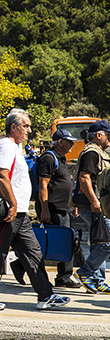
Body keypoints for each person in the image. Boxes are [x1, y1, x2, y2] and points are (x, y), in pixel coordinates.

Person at [0, 109, 70, 310]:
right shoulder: (5, 146)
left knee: (33, 253)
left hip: (20, 212)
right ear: (13, 127)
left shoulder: (16, 147)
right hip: (9, 211)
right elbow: (1, 175)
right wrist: (12, 204)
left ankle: (45, 295)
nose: (29, 130)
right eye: (25, 126)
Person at [29, 128, 80, 288]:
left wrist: (72, 205)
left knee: (55, 242)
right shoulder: (49, 158)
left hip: (62, 208)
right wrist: (44, 209)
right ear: (60, 142)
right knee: (63, 242)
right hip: (52, 208)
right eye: (69, 141)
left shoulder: (61, 158)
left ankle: (21, 264)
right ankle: (64, 276)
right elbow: (43, 185)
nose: (72, 144)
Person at [74, 120, 110, 293]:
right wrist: (94, 202)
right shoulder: (92, 153)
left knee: (99, 241)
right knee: (107, 240)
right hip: (92, 204)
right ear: (99, 135)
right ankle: (85, 272)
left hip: (96, 204)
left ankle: (98, 280)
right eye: (108, 135)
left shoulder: (98, 152)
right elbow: (84, 178)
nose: (109, 139)